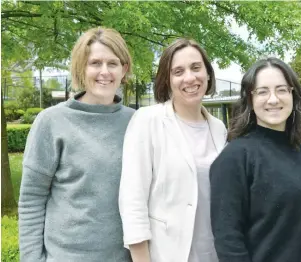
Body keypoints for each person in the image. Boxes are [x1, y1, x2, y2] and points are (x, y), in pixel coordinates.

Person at [18, 27, 135, 262]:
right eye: (95, 63)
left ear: (123, 70)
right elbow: (31, 199)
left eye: (112, 63)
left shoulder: (137, 122)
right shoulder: (51, 122)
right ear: (82, 67)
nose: (104, 72)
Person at [210, 57, 301, 262]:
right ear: (250, 100)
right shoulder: (235, 158)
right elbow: (228, 239)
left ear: (293, 95)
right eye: (262, 91)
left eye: (281, 89)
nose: (273, 99)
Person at [119, 38, 227, 262]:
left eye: (196, 68)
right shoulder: (147, 121)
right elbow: (132, 200)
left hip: (213, 253)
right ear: (167, 80)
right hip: (167, 254)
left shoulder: (218, 129)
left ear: (208, 73)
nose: (190, 77)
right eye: (178, 71)